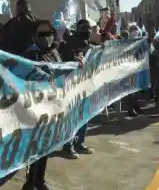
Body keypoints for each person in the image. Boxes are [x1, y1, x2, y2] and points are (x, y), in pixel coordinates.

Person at [22, 19, 63, 189]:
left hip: (52, 106)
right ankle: (31, 182)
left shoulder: (54, 53)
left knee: (46, 147)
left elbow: (62, 71)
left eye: (49, 33)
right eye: (42, 34)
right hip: (36, 108)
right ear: (34, 36)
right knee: (36, 148)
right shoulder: (31, 55)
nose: (46, 37)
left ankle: (39, 180)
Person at [58, 18, 96, 158]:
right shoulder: (70, 43)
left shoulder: (88, 43)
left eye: (88, 28)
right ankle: (68, 146)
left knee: (84, 115)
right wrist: (75, 59)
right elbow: (63, 60)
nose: (87, 31)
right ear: (78, 29)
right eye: (84, 28)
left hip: (84, 84)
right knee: (72, 117)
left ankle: (80, 142)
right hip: (71, 85)